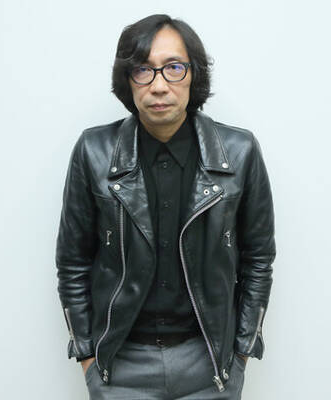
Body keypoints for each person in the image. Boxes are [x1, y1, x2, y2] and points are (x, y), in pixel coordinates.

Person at [55, 14, 276, 399]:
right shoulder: (94, 152)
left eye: (174, 68)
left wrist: (241, 352)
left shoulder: (239, 153)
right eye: (143, 70)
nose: (159, 85)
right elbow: (73, 262)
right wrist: (88, 355)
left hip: (209, 364)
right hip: (120, 366)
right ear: (128, 80)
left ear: (194, 75)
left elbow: (258, 258)